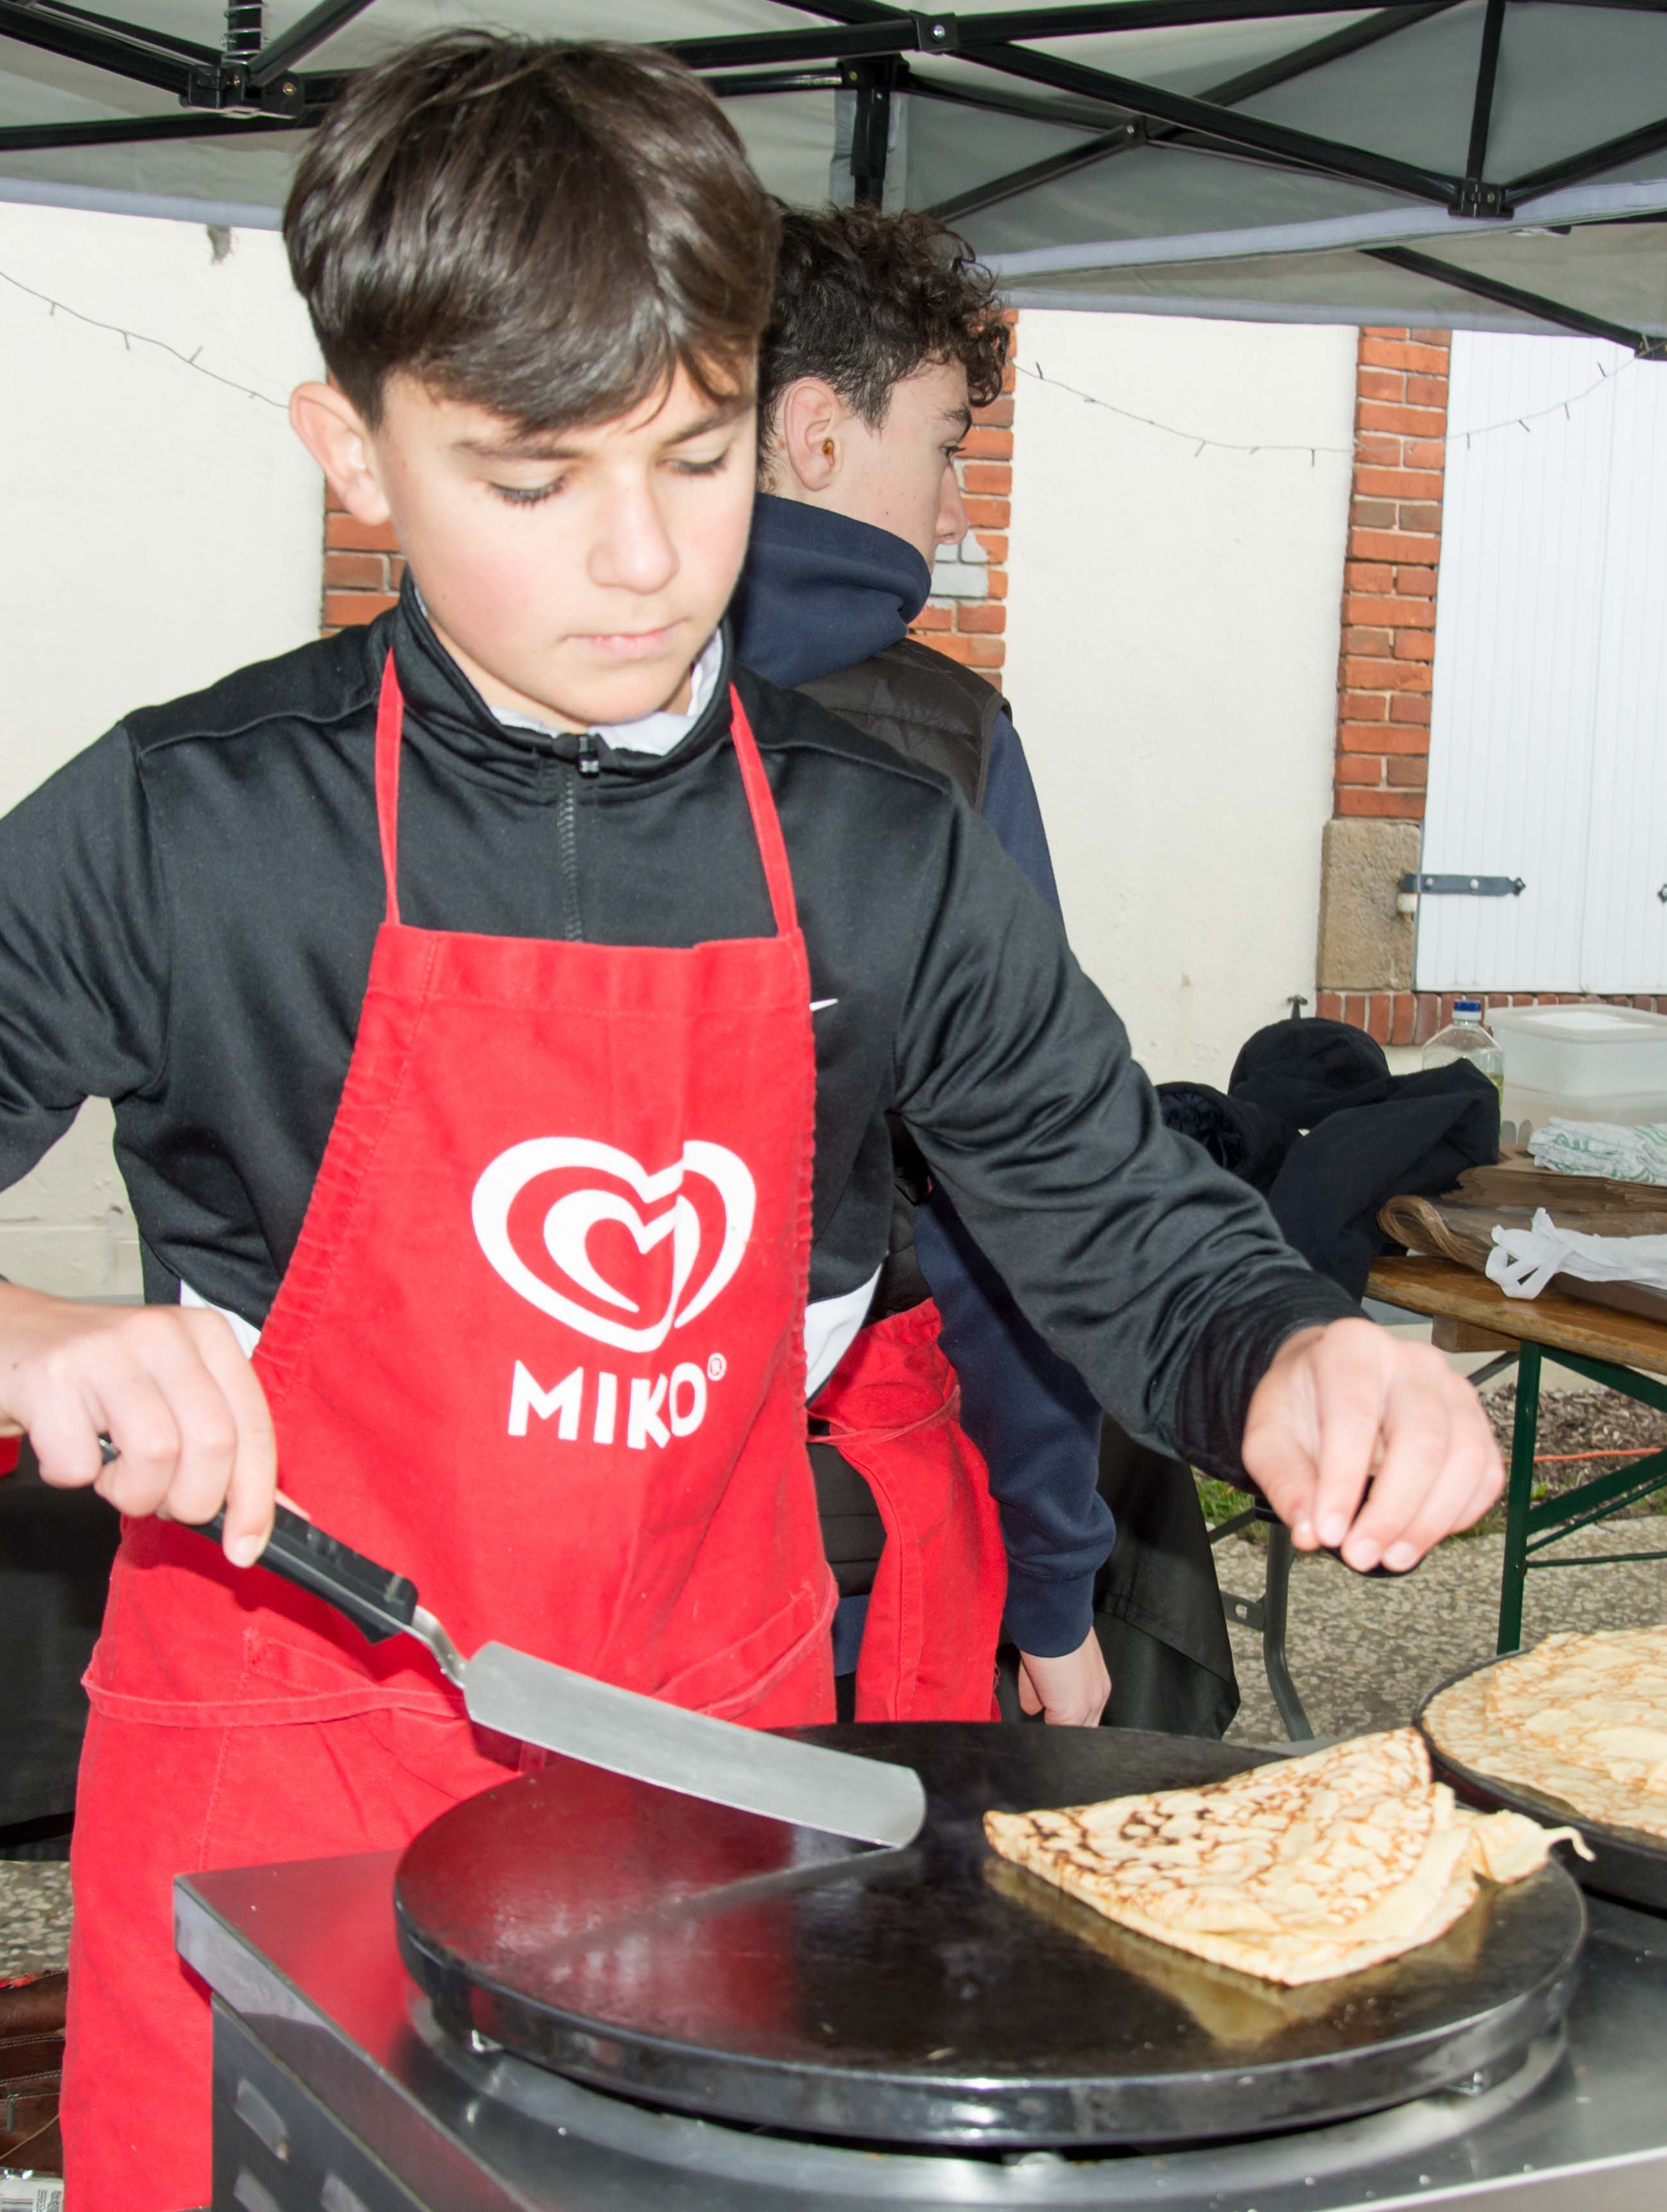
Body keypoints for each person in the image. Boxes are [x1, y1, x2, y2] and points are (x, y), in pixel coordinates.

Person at [0, 35, 1499, 2210]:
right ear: (357, 451)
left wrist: (1288, 1345)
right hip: (277, 1764)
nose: (641, 561)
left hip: (711, 1774)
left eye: (693, 460)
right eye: (529, 478)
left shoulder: (878, 847)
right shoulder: (189, 830)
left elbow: (1129, 1221)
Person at [726, 203, 1121, 1729]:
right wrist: (1056, 1582)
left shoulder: (487, 688)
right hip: (842, 1565)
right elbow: (1019, 1200)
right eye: (950, 442)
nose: (960, 511)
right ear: (817, 433)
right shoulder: (944, 747)